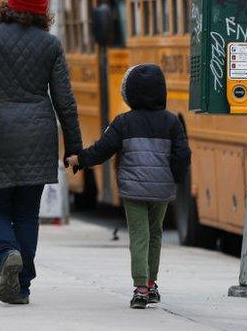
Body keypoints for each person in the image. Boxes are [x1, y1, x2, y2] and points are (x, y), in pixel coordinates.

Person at [0, 0, 82, 305]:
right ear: (43, 9)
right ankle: (23, 285)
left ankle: (6, 255)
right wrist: (74, 146)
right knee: (28, 211)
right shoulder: (50, 45)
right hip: (39, 132)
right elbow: (65, 100)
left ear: (9, 3)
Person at [65, 63, 191, 309]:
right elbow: (182, 155)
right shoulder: (172, 123)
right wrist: (174, 177)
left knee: (139, 234)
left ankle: (141, 288)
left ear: (130, 93)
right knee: (155, 233)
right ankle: (152, 284)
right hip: (161, 189)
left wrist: (79, 159)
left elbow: (102, 150)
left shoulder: (123, 122)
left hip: (133, 190)